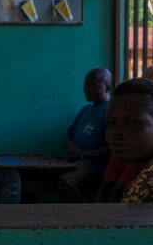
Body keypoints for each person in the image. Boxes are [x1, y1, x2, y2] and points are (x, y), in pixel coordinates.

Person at [58, 68, 111, 202]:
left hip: (93, 164)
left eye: (95, 85)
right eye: (86, 85)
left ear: (108, 87)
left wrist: (83, 154)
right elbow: (69, 134)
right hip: (73, 160)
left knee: (67, 181)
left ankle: (75, 220)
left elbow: (111, 150)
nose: (89, 89)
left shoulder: (112, 111)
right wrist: (72, 148)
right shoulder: (86, 109)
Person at [102, 78, 153, 203]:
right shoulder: (141, 179)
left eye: (132, 123)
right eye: (112, 123)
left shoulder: (146, 185)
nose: (116, 133)